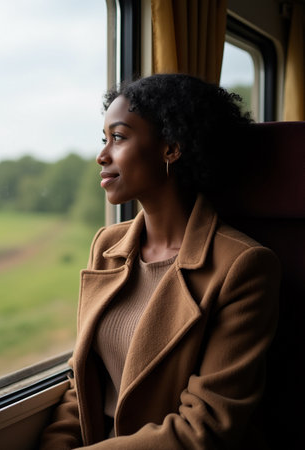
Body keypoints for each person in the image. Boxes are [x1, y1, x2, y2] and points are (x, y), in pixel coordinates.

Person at [39, 74, 280, 449]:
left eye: (118, 138)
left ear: (171, 148)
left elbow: (205, 428)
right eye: (104, 140)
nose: (102, 155)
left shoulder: (243, 267)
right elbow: (84, 381)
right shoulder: (107, 246)